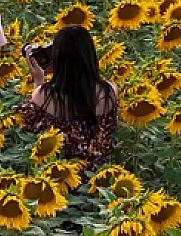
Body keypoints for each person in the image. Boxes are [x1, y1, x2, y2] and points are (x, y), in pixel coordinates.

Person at [18, 25, 118, 167]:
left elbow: (29, 128)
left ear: (57, 57)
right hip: (98, 173)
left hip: (61, 173)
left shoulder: (44, 96)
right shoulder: (109, 91)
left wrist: (38, 80)